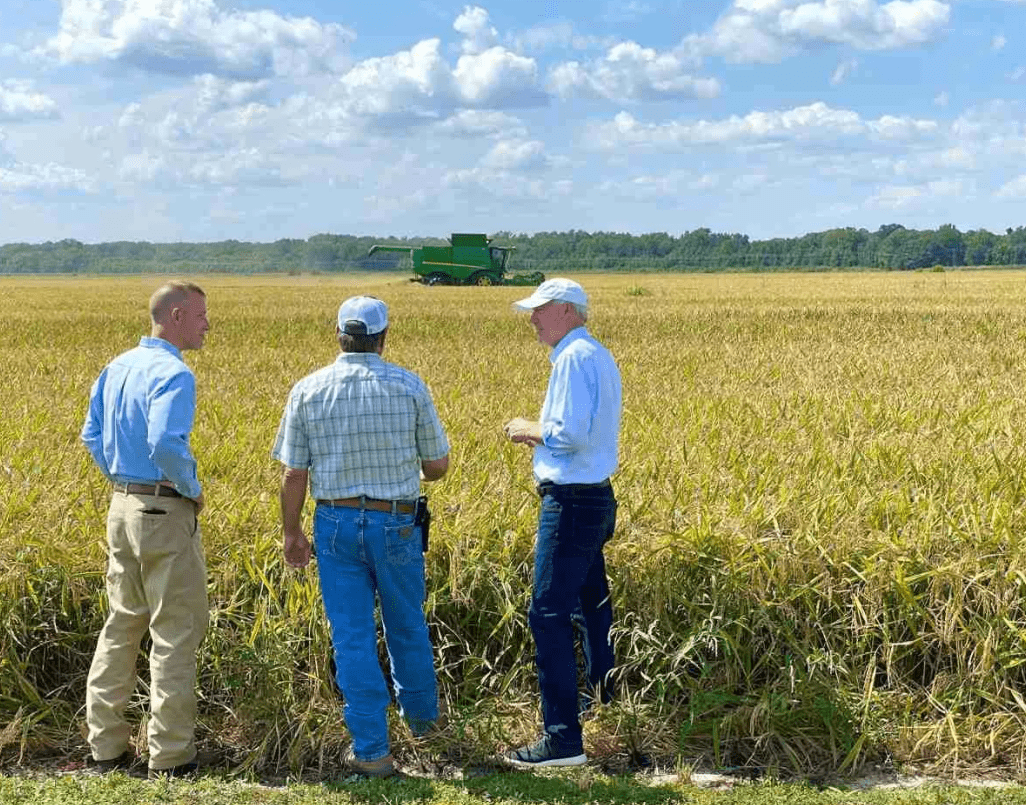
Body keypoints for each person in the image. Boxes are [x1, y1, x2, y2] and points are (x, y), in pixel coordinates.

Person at [271, 295, 450, 779]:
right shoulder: (409, 386)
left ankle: (372, 751)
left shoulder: (308, 389)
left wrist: (291, 532)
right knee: (407, 626)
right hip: (396, 522)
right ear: (383, 336)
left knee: (351, 637)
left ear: (339, 336)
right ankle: (427, 734)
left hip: (335, 524)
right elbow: (437, 466)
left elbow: (293, 472)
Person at [80, 280, 210, 779]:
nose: (206, 324)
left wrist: (120, 478)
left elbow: (90, 434)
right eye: (200, 314)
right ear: (175, 316)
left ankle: (105, 750)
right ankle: (172, 756)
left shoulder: (117, 366)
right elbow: (163, 441)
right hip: (162, 510)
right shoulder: (174, 373)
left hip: (121, 507)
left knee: (121, 625)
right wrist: (191, 487)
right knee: (175, 632)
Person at [502, 277, 621, 768]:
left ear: (566, 311)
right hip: (595, 497)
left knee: (547, 613)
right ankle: (608, 706)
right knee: (591, 607)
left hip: (569, 502)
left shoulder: (572, 358)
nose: (532, 319)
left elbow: (567, 434)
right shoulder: (598, 355)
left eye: (539, 311)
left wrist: (526, 428)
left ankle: (562, 739)